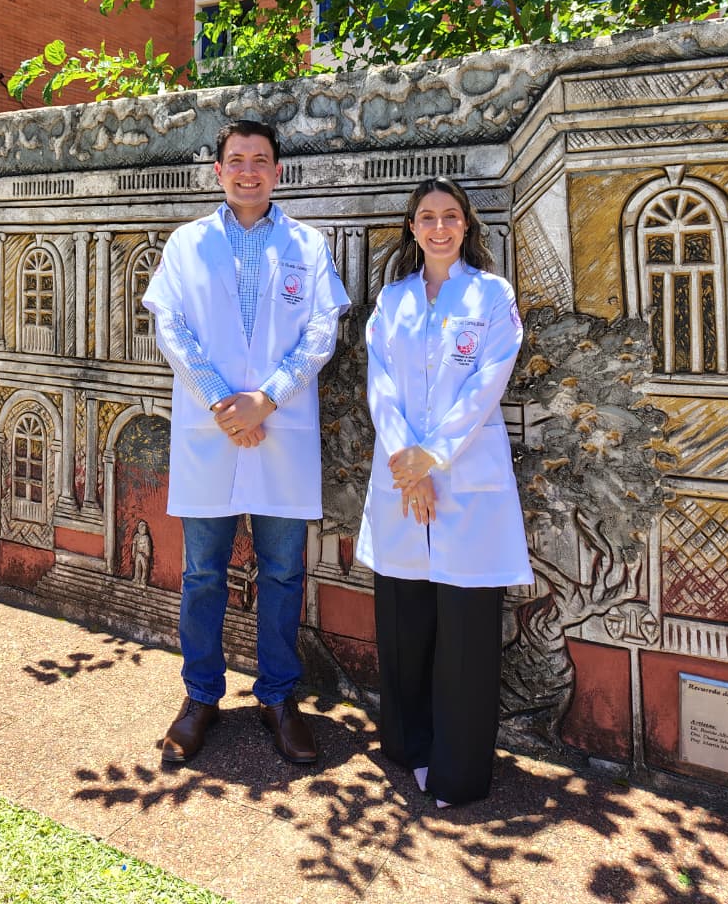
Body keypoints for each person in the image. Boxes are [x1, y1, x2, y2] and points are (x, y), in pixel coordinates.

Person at [143, 120, 349, 766]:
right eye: (237, 160)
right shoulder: (186, 245)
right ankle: (200, 695)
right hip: (211, 429)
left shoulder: (307, 247)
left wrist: (267, 399)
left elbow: (321, 334)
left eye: (261, 160)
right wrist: (222, 402)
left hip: (279, 428)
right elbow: (171, 328)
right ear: (218, 172)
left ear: (278, 171)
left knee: (284, 572)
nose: (249, 171)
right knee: (203, 573)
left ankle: (278, 697)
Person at [356, 176, 533, 808]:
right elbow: (380, 384)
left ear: (466, 226)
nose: (438, 227)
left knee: (465, 633)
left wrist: (433, 458)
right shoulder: (393, 300)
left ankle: (458, 775)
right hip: (404, 478)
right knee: (403, 624)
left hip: (464, 479)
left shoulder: (491, 295)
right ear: (411, 226)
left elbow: (488, 382)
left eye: (450, 216)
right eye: (426, 216)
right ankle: (407, 749)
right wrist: (410, 462)